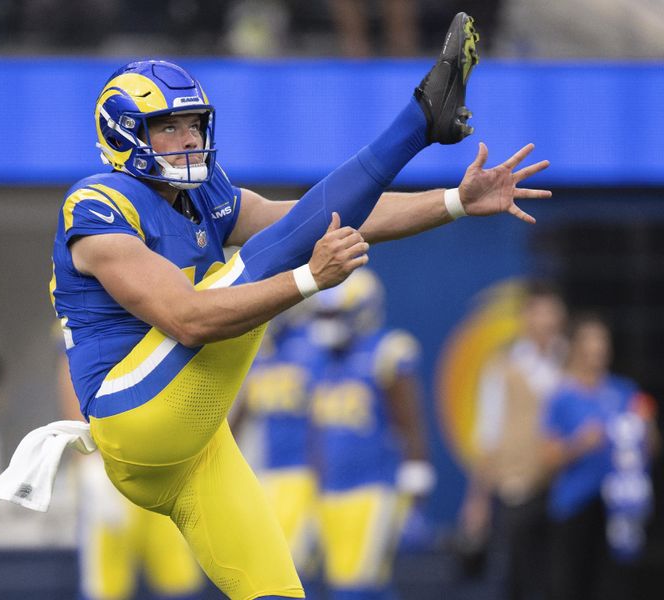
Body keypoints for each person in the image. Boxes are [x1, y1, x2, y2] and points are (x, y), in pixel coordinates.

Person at [50, 12, 550, 599]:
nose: (189, 139)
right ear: (124, 132)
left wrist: (452, 202)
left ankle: (422, 122)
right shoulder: (97, 207)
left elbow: (318, 220)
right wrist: (308, 282)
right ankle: (418, 120)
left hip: (199, 444)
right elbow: (188, 318)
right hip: (133, 417)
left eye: (194, 124)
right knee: (257, 263)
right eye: (170, 127)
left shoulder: (204, 194)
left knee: (280, 594)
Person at [307, 268, 433, 599]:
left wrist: (415, 498)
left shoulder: (386, 351)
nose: (327, 324)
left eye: (335, 314)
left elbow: (411, 425)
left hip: (374, 488)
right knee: (357, 585)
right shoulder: (320, 360)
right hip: (330, 491)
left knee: (354, 588)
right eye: (323, 314)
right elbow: (317, 432)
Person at [57, 352, 205, 600]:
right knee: (107, 585)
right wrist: (88, 458)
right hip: (112, 464)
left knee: (178, 578)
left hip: (165, 463)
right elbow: (72, 365)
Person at [459, 281, 567, 600]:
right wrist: (477, 499)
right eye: (541, 314)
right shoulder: (503, 367)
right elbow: (488, 432)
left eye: (553, 314)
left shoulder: (570, 363)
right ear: (526, 317)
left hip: (565, 488)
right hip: (517, 486)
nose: (548, 322)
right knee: (520, 579)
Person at [542, 314, 657, 600]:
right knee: (569, 586)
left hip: (617, 509)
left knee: (613, 586)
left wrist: (647, 428)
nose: (598, 348)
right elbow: (546, 456)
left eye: (602, 340)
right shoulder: (562, 396)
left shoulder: (624, 391)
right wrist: (579, 444)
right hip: (575, 506)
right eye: (591, 340)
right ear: (576, 346)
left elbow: (650, 449)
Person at [232, 308, 321, 585]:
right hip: (267, 474)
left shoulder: (314, 345)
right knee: (266, 572)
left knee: (297, 570)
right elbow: (241, 415)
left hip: (307, 474)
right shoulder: (261, 352)